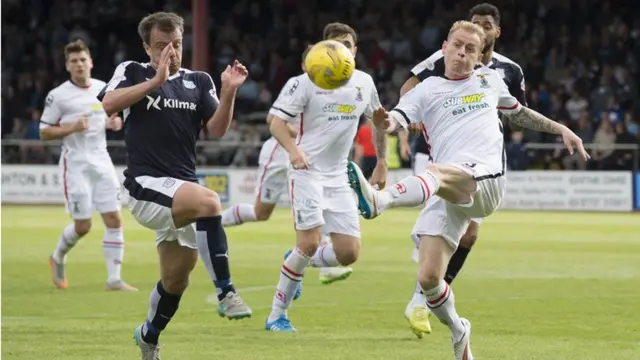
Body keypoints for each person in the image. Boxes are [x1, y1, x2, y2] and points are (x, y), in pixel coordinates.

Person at [347, 21, 588, 360]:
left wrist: (560, 127)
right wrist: (382, 121)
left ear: (478, 58)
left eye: (470, 49)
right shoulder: (426, 90)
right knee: (430, 278)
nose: (462, 52)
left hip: (485, 180)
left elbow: (519, 114)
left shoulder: (489, 80)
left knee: (435, 172)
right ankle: (460, 331)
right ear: (444, 47)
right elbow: (392, 123)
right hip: (447, 188)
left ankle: (379, 202)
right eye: (457, 45)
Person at [97, 12, 251, 359]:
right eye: (162, 45)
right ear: (146, 47)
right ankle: (227, 292)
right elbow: (109, 104)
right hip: (145, 186)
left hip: (179, 190)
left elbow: (217, 130)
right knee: (211, 202)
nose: (171, 51)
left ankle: (147, 337)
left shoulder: (199, 80)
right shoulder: (133, 71)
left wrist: (228, 92)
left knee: (175, 281)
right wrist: (156, 81)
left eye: (177, 44)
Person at [398, 3, 529, 337]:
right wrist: (409, 118)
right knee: (449, 226)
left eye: (486, 25)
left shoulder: (508, 70)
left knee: (468, 233)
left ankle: (424, 296)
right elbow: (409, 87)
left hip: (483, 158)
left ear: (495, 32)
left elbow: (517, 109)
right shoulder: (445, 56)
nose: (479, 28)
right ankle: (424, 295)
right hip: (443, 150)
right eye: (474, 23)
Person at [265, 22, 387, 332]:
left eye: (347, 44)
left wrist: (382, 161)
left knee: (348, 254)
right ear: (323, 49)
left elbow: (378, 121)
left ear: (355, 50)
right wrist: (293, 150)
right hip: (307, 172)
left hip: (338, 176)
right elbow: (276, 122)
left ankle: (298, 261)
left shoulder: (364, 82)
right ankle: (277, 315)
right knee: (309, 241)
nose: (340, 49)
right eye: (334, 44)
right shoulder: (304, 82)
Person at [216, 47, 353, 303]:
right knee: (261, 212)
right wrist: (301, 133)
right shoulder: (298, 86)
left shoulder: (336, 91)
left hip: (307, 161)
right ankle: (215, 222)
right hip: (279, 153)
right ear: (305, 66)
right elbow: (272, 118)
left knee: (317, 212)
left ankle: (308, 264)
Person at [40, 39, 136, 292]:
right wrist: (71, 127)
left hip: (101, 161)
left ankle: (114, 280)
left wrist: (112, 124)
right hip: (76, 164)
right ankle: (57, 257)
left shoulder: (104, 88)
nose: (79, 64)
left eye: (83, 60)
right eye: (74, 61)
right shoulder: (58, 96)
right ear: (67, 66)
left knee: (115, 219)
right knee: (83, 226)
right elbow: (43, 132)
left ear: (91, 63)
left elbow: (108, 117)